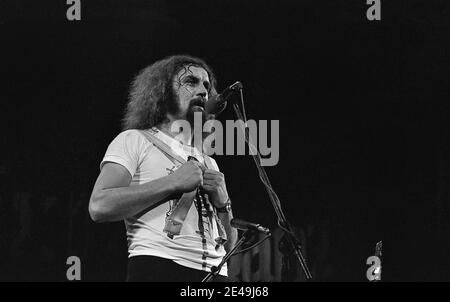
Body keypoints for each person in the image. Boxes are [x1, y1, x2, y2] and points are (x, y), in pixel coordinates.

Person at [88, 55, 237, 282]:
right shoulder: (135, 140)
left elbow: (228, 248)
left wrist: (223, 204)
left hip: (217, 275)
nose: (203, 91)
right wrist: (172, 182)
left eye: (206, 85)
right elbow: (99, 206)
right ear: (163, 92)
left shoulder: (209, 161)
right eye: (191, 81)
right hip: (160, 266)